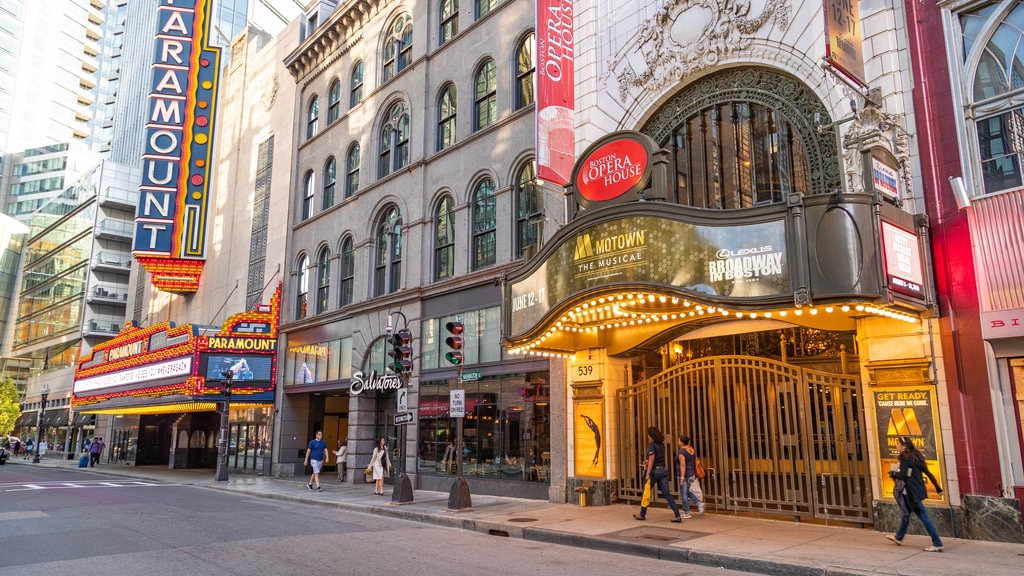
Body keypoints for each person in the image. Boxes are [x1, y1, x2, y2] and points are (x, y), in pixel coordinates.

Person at [885, 436, 944, 552]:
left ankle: (937, 543)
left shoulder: (904, 457)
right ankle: (899, 537)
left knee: (919, 515)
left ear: (904, 446)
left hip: (910, 492)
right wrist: (938, 488)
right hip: (917, 491)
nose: (896, 445)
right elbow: (928, 473)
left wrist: (893, 474)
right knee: (906, 513)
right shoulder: (917, 455)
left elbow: (902, 475)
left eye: (898, 444)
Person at [634, 426, 682, 522]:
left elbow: (652, 460)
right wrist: (648, 461)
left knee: (646, 491)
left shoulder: (652, 445)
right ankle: (677, 514)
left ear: (651, 436)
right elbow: (656, 459)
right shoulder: (662, 445)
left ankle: (642, 514)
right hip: (663, 471)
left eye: (648, 434)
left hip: (654, 472)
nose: (647, 436)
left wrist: (648, 473)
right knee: (667, 493)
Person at [676, 435, 705, 517]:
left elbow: (683, 465)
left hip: (685, 475)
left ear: (681, 442)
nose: (678, 442)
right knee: (687, 491)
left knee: (684, 493)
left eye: (679, 440)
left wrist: (682, 477)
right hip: (692, 474)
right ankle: (699, 504)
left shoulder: (682, 452)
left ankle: (686, 512)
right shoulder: (691, 449)